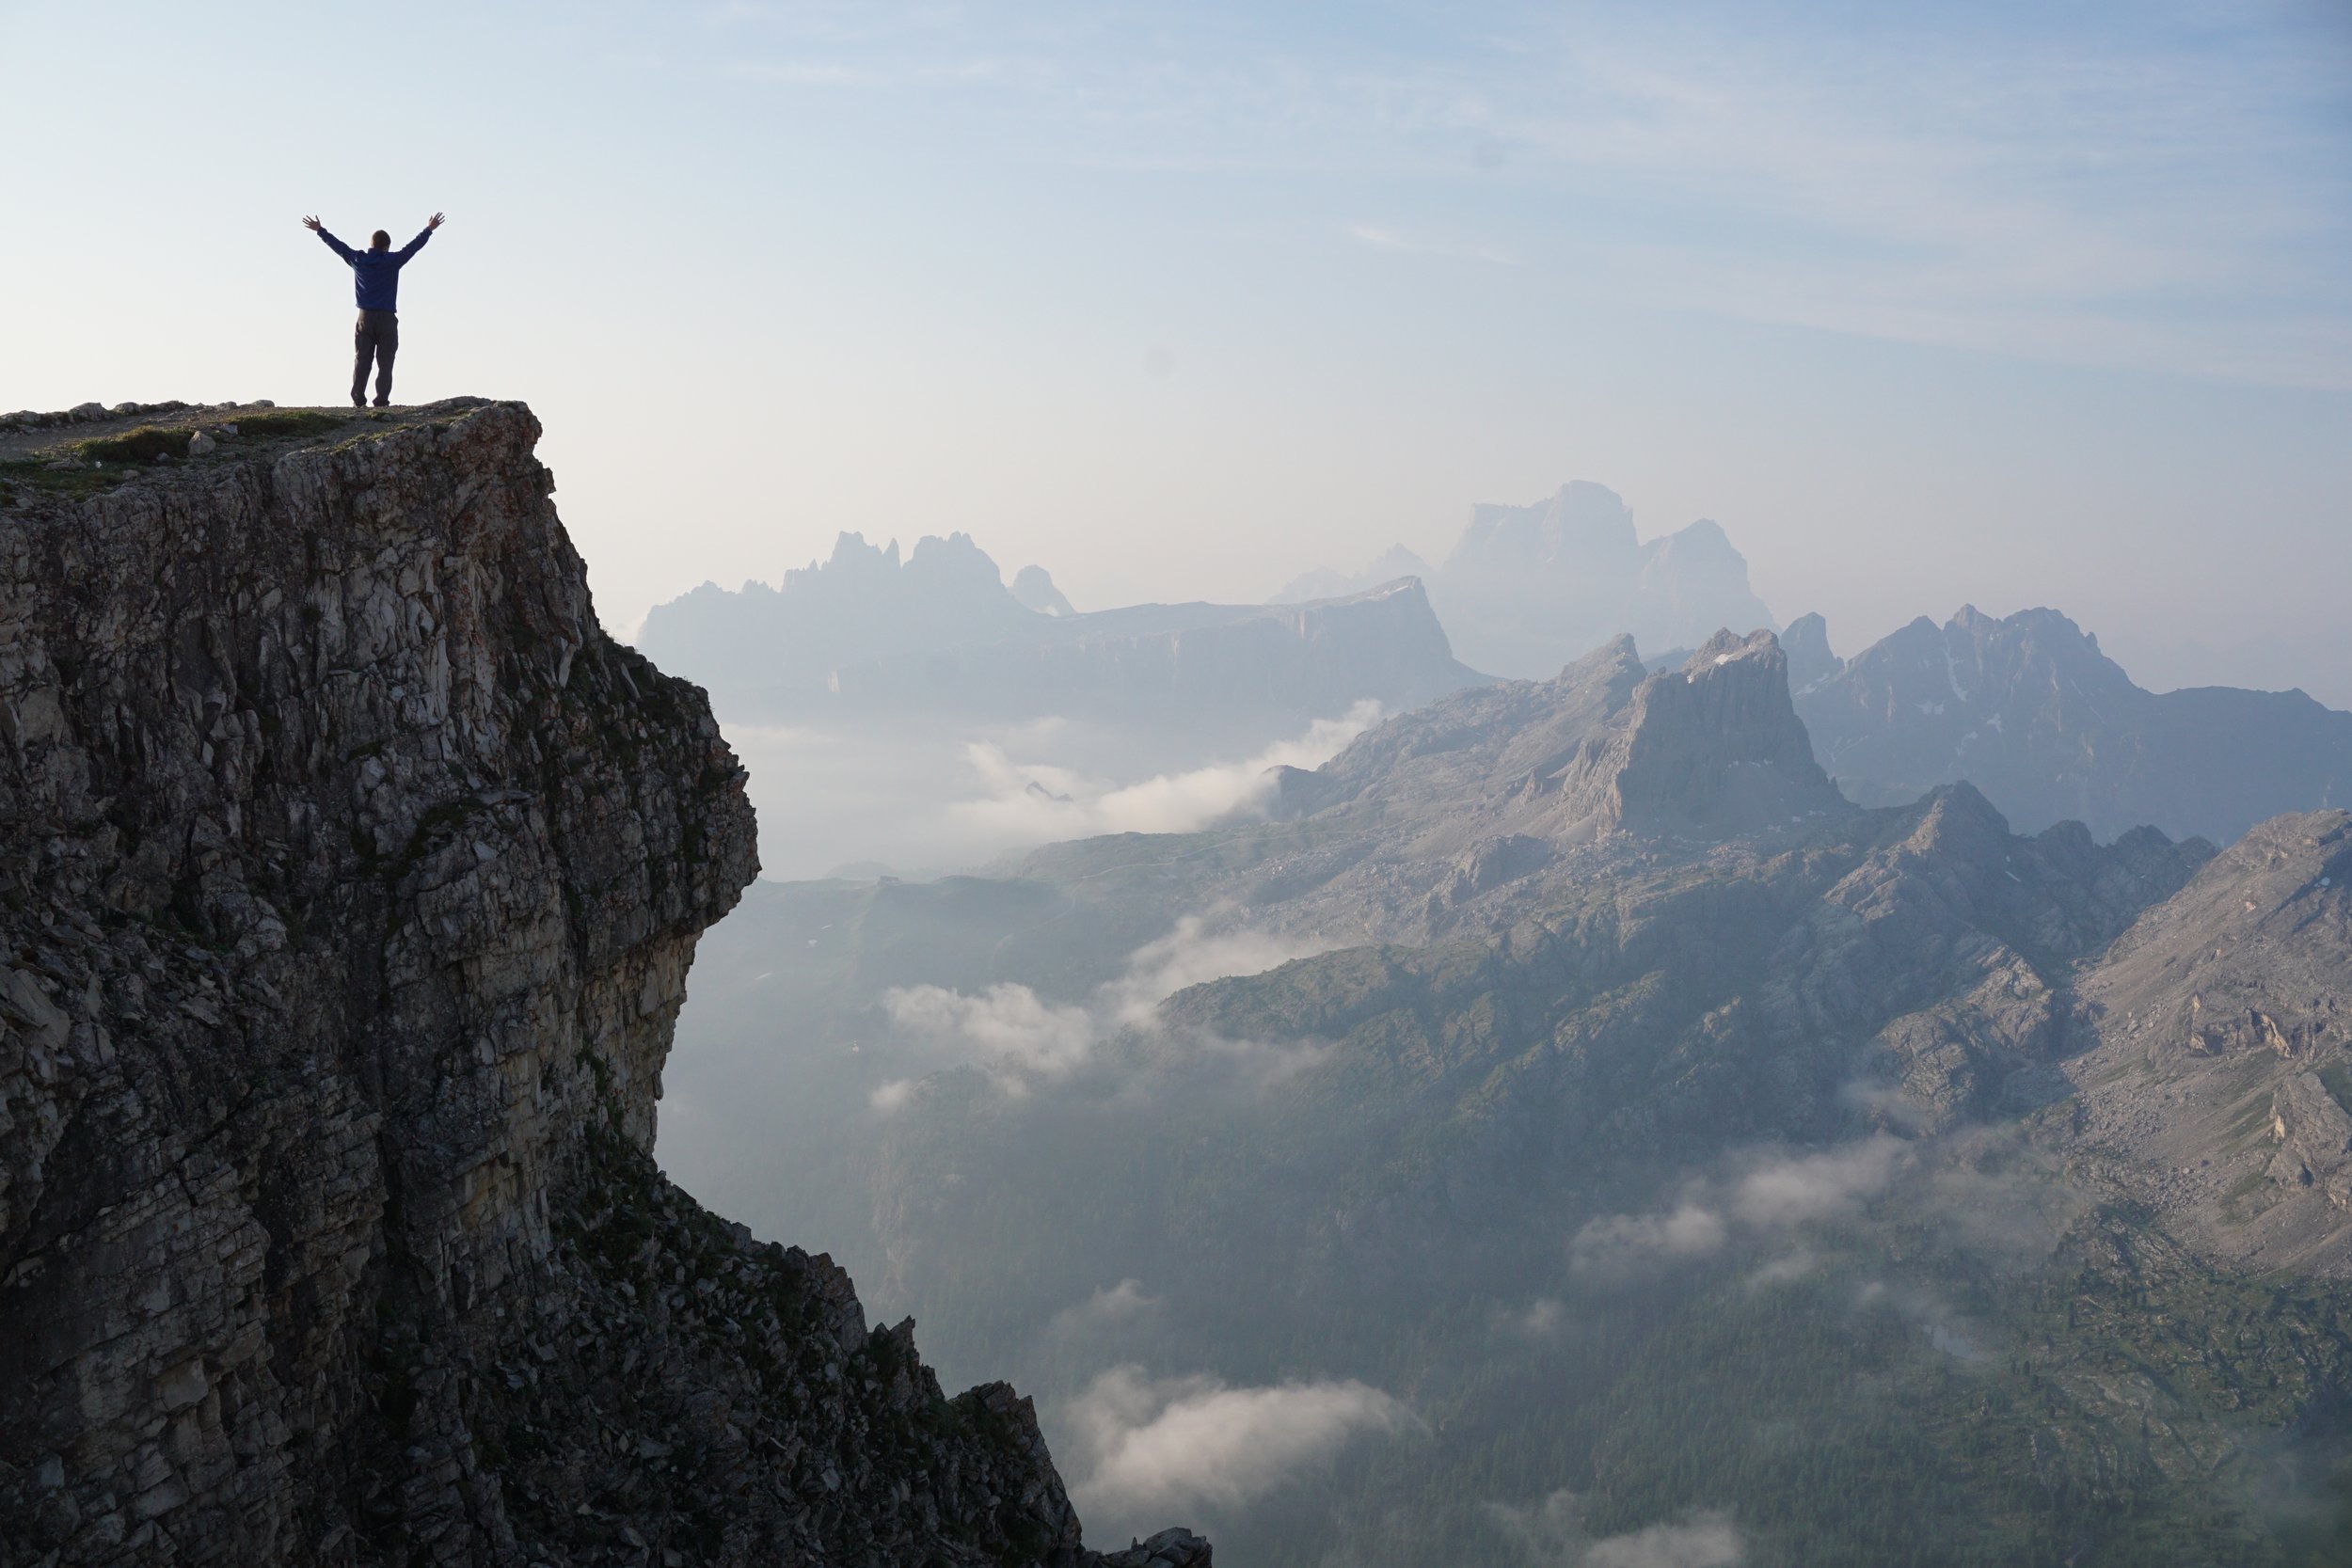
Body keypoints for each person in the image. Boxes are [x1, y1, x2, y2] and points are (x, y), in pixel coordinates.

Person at [303, 213, 445, 408]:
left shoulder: (359, 259)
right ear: (386, 247)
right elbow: (412, 248)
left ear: (371, 244)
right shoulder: (393, 261)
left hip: (365, 318)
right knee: (386, 362)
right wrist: (429, 229)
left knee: (362, 360)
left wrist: (320, 230)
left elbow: (339, 247)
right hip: (387, 318)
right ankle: (381, 400)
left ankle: (358, 399)